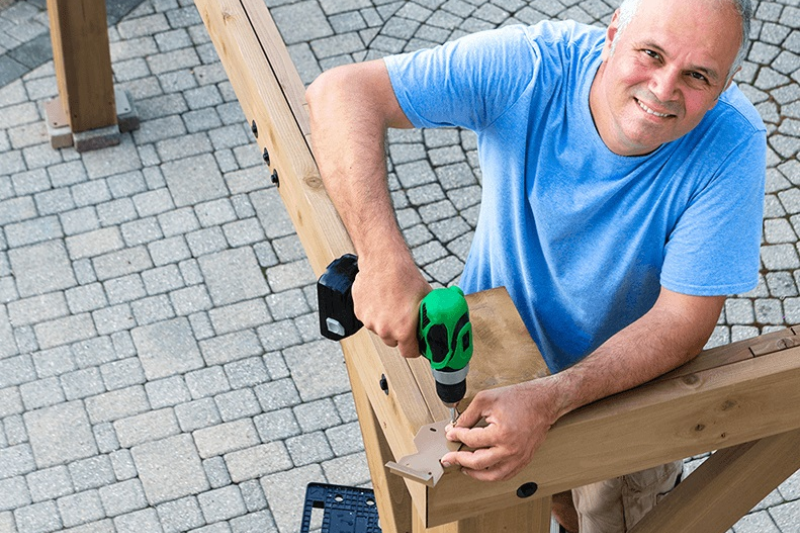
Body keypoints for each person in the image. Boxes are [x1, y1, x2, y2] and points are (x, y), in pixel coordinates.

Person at [306, 0, 765, 531]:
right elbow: (340, 92)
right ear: (614, 32)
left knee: (616, 518)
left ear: (726, 83)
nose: (663, 89)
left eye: (698, 75)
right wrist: (381, 258)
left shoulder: (732, 144)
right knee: (540, 500)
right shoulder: (532, 68)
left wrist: (553, 398)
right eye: (651, 54)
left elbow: (682, 322)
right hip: (496, 354)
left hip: (625, 389)